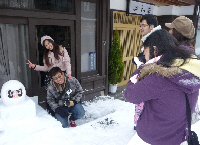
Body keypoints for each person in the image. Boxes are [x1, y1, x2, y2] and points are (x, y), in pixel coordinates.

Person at [125, 29, 200, 145]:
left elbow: (130, 95)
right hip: (179, 137)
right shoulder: (190, 68)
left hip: (154, 139)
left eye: (145, 52)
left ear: (154, 50)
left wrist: (142, 68)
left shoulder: (159, 78)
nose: (145, 56)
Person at [132, 14, 160, 129]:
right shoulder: (151, 37)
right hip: (147, 77)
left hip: (150, 78)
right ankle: (141, 124)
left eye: (143, 25)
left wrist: (140, 60)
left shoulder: (156, 39)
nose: (141, 28)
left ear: (152, 26)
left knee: (144, 102)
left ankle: (142, 125)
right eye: (140, 25)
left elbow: (154, 58)